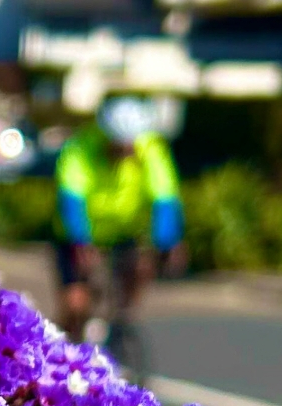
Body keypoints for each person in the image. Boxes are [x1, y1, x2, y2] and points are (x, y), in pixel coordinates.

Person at [53, 99, 184, 352]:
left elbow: (165, 198)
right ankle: (62, 347)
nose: (124, 153)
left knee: (139, 267)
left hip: (124, 233)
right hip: (80, 234)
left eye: (128, 147)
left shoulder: (151, 150)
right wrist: (81, 240)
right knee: (76, 302)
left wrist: (165, 242)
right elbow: (72, 199)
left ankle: (121, 321)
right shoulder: (81, 148)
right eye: (117, 146)